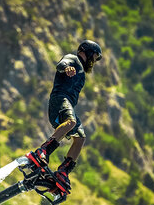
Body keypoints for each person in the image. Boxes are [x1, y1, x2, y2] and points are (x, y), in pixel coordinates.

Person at [29, 40, 102, 188]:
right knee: (71, 122)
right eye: (94, 56)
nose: (94, 61)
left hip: (67, 104)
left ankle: (63, 172)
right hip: (59, 100)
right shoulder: (73, 59)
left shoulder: (81, 71)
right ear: (86, 52)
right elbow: (61, 65)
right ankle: (43, 151)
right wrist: (67, 67)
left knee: (80, 138)